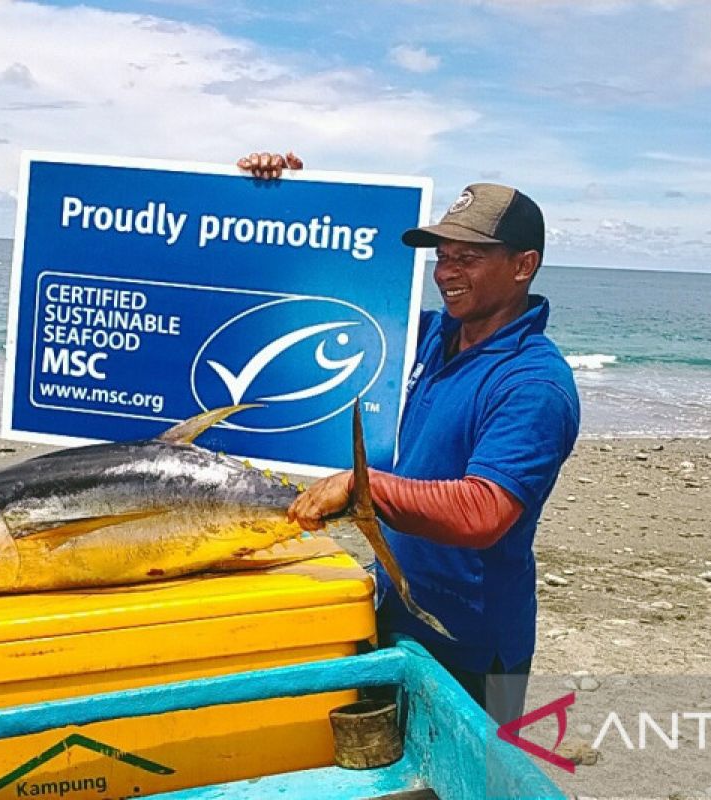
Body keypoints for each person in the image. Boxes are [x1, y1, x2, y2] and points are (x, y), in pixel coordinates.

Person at [237, 151, 580, 724]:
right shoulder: (429, 337)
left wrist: (360, 485)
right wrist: (279, 195)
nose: (446, 273)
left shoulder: (534, 383)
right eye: (442, 258)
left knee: (470, 784)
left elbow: (484, 512)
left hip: (475, 644)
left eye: (468, 259)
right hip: (395, 606)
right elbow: (317, 295)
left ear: (524, 266)